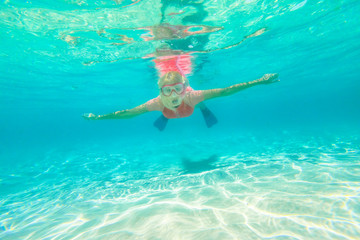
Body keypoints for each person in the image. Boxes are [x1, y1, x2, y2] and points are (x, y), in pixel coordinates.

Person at [83, 70, 279, 130]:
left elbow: (225, 91)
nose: (174, 94)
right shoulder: (157, 102)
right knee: (167, 109)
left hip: (192, 103)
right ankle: (167, 116)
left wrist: (259, 81)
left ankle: (203, 109)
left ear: (184, 88)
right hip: (167, 109)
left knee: (199, 101)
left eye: (178, 89)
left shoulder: (190, 95)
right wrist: (99, 117)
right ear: (160, 91)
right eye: (168, 91)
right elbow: (127, 114)